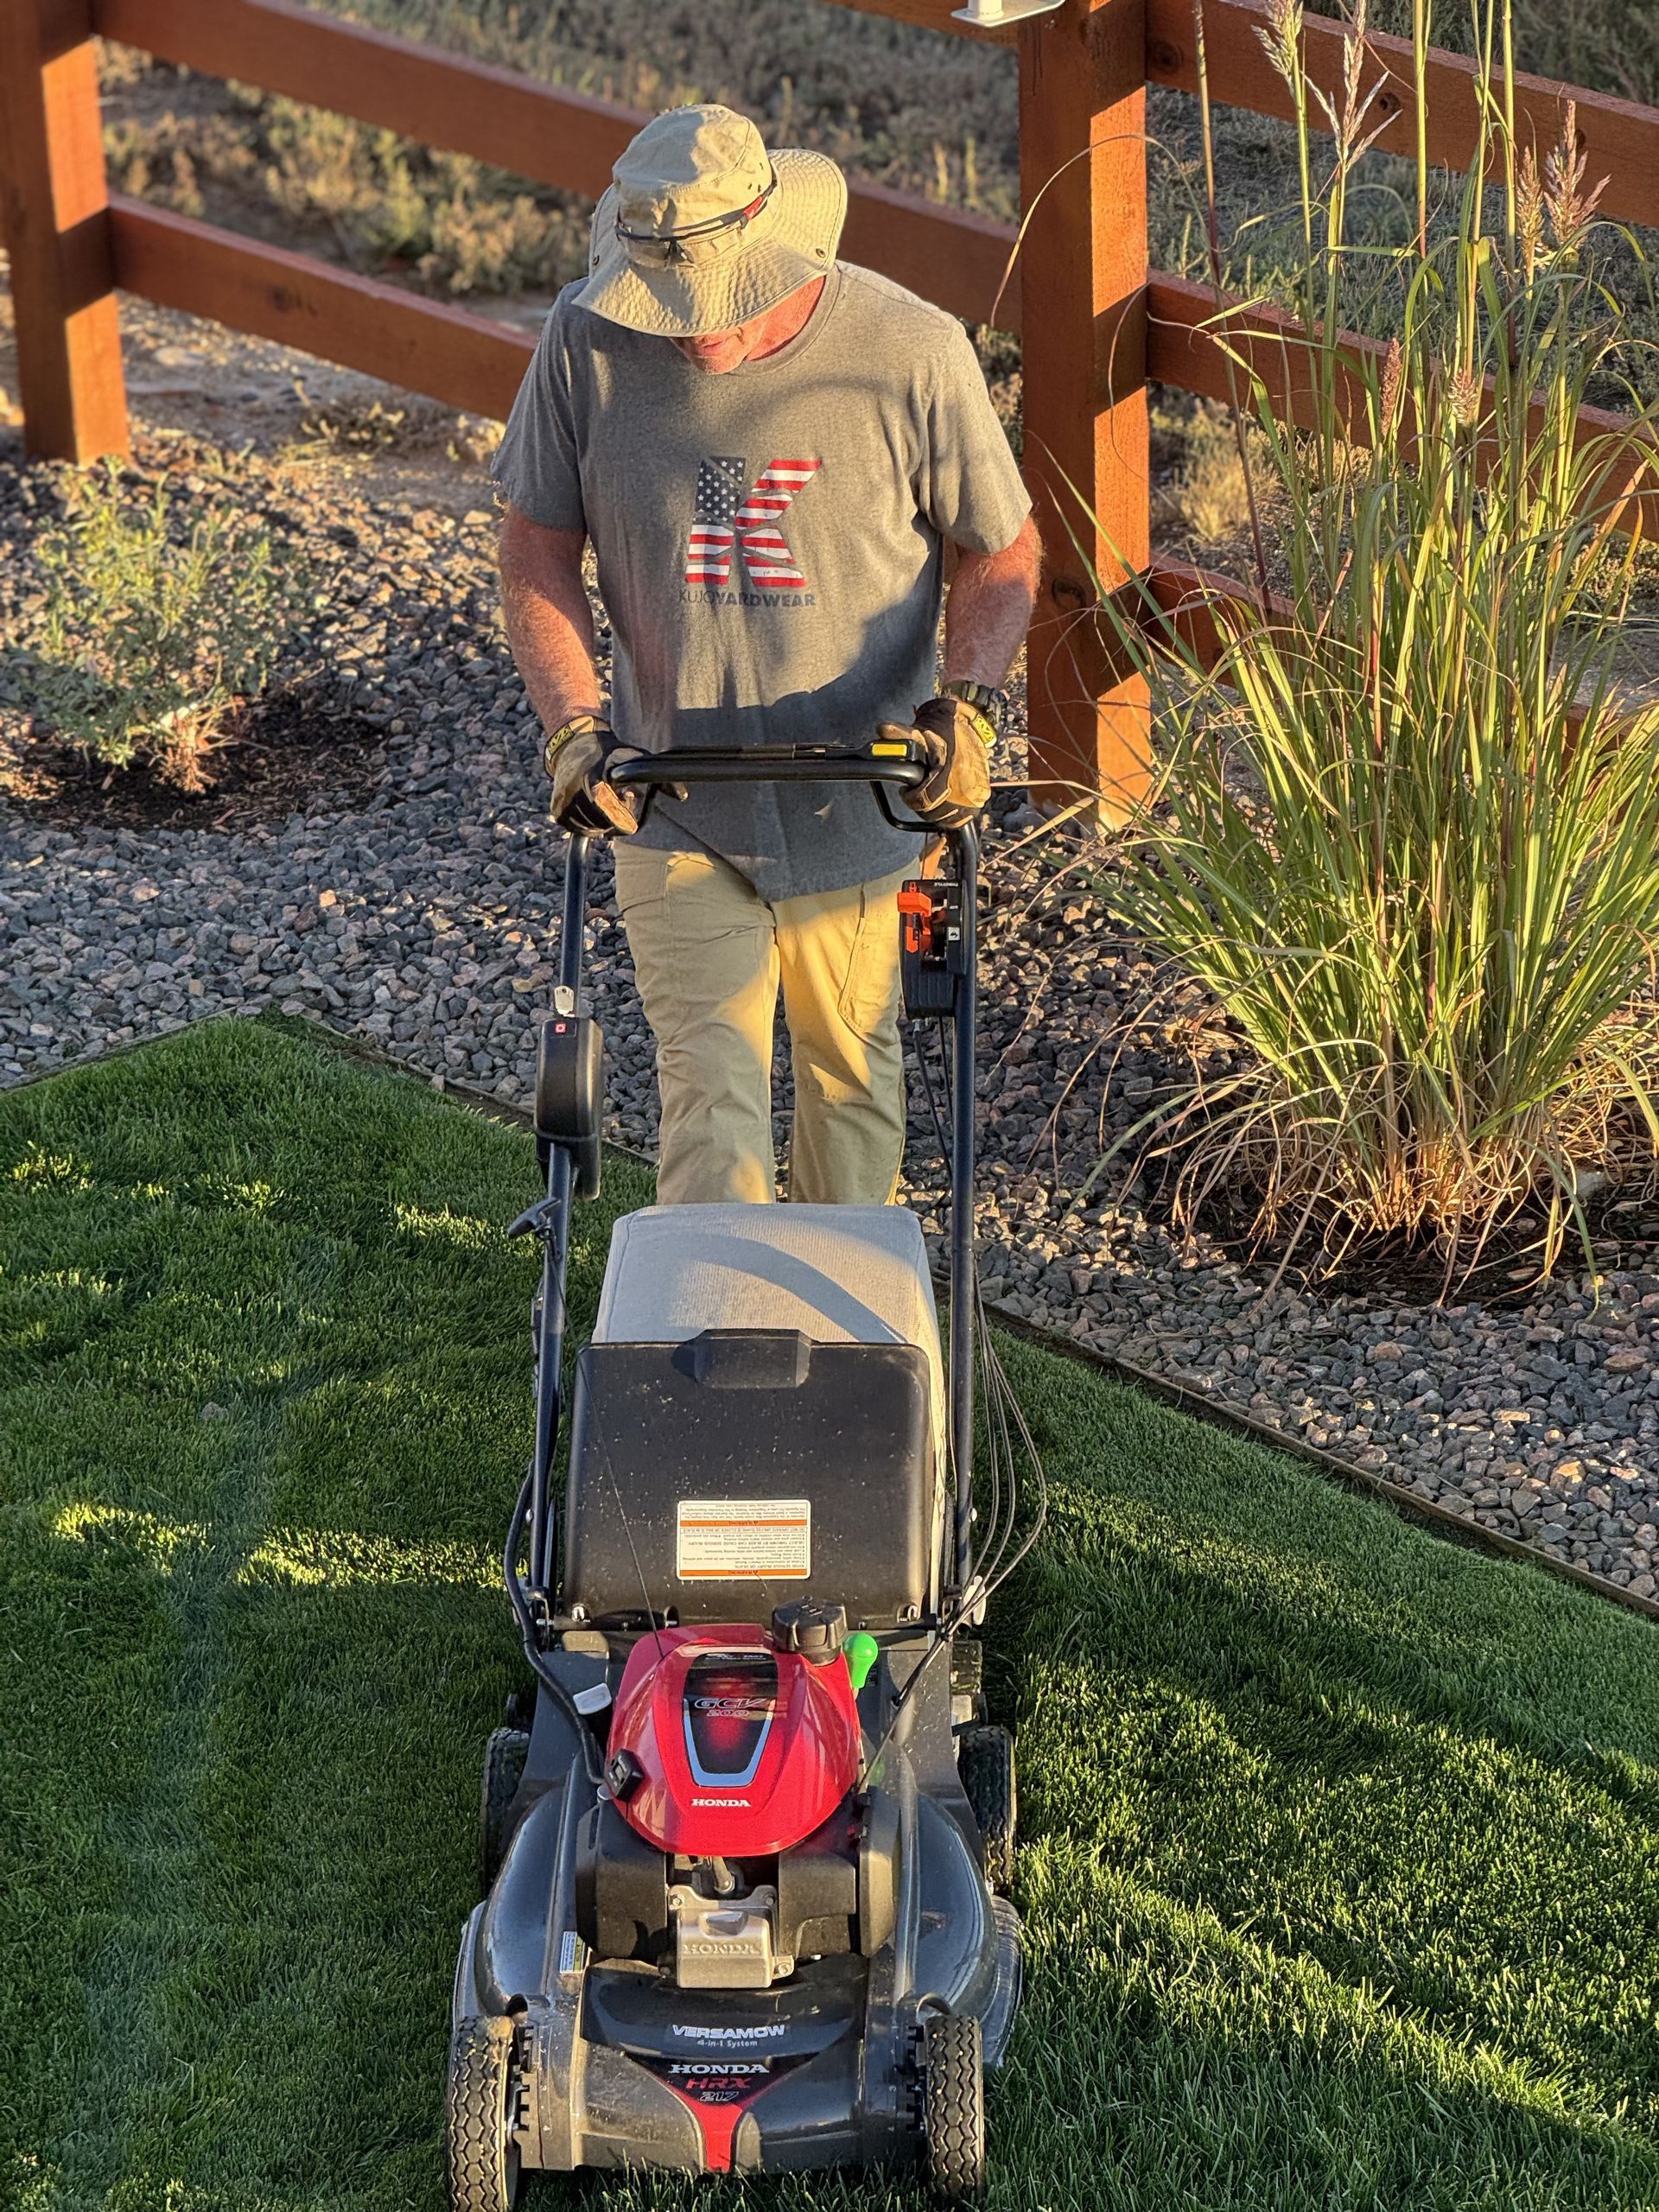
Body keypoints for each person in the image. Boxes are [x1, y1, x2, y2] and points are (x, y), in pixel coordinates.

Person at [494, 102, 1040, 1206]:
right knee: (713, 1101)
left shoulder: (909, 351)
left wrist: (967, 711)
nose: (689, 330)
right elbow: (535, 550)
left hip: (865, 800)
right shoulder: (584, 344)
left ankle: (843, 1350)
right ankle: (713, 1347)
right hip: (672, 795)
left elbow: (1003, 547)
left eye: (710, 300)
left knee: (855, 1092)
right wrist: (573, 727)